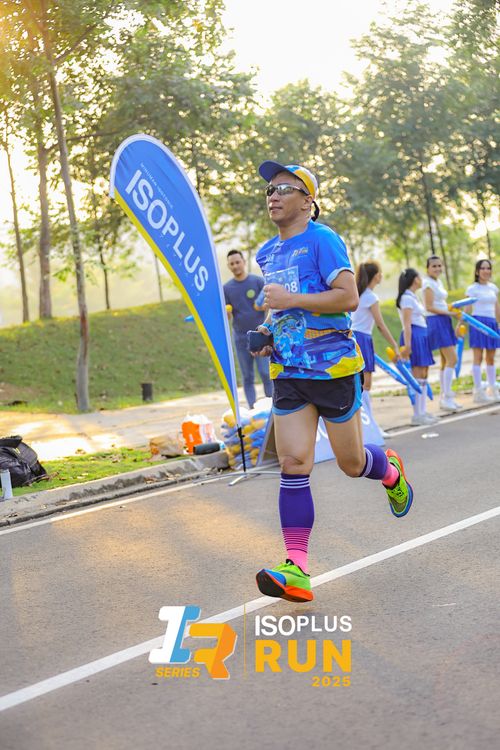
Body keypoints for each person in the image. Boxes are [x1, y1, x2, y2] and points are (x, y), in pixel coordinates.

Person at [251, 160, 414, 604]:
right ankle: (297, 569)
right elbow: (281, 309)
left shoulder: (323, 240)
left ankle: (389, 470)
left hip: (333, 368)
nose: (273, 195)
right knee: (293, 463)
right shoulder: (267, 253)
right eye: (269, 189)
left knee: (351, 463)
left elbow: (347, 297)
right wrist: (267, 333)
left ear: (308, 201)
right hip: (289, 370)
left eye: (284, 188)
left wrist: (292, 299)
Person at [352, 260, 400, 439]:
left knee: (360, 385)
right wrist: (394, 345)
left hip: (355, 337)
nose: (381, 275)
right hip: (362, 338)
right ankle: (370, 426)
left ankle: (366, 425)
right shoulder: (370, 297)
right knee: (365, 385)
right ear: (374, 276)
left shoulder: (358, 294)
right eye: (379, 272)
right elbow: (380, 325)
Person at [223, 249, 272, 409]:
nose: (235, 266)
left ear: (243, 262)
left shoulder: (258, 281)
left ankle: (271, 407)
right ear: (229, 266)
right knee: (247, 376)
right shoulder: (227, 288)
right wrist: (227, 313)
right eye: (232, 264)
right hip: (240, 337)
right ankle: (252, 409)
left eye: (238, 262)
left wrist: (264, 311)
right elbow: (228, 314)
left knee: (265, 372)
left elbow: (269, 305)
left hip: (260, 335)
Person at [397, 269, 438, 426]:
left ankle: (423, 411)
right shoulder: (407, 298)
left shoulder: (413, 297)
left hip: (422, 335)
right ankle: (417, 414)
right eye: (419, 277)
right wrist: (407, 345)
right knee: (417, 375)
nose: (421, 279)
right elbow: (407, 324)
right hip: (414, 336)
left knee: (424, 374)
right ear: (415, 279)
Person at [422, 255, 462, 412]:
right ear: (427, 268)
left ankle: (446, 399)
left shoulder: (438, 282)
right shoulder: (427, 284)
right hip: (436, 321)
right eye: (434, 266)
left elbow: (440, 303)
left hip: (444, 320)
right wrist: (450, 313)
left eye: (439, 265)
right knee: (453, 359)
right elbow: (429, 307)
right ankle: (446, 397)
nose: (437, 268)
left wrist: (451, 310)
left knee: (446, 361)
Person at [465, 259, 500, 403]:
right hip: (477, 323)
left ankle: (493, 388)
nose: (486, 271)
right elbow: (467, 308)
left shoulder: (493, 288)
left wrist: (498, 324)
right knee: (478, 357)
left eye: (488, 268)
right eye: (483, 268)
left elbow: (497, 308)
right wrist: (460, 324)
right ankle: (478, 391)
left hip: (491, 323)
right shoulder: (472, 289)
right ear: (477, 271)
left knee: (491, 358)